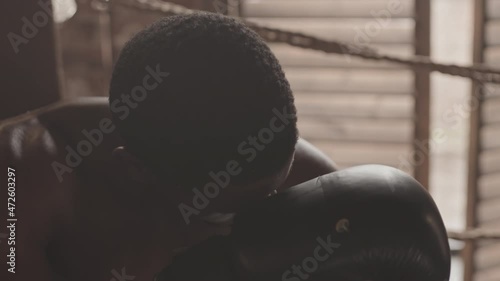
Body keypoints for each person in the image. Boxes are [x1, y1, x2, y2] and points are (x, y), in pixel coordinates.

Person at [0, 12, 335, 281]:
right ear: (135, 170)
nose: (265, 210)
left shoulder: (285, 167)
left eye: (275, 193)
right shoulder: (18, 187)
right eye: (223, 210)